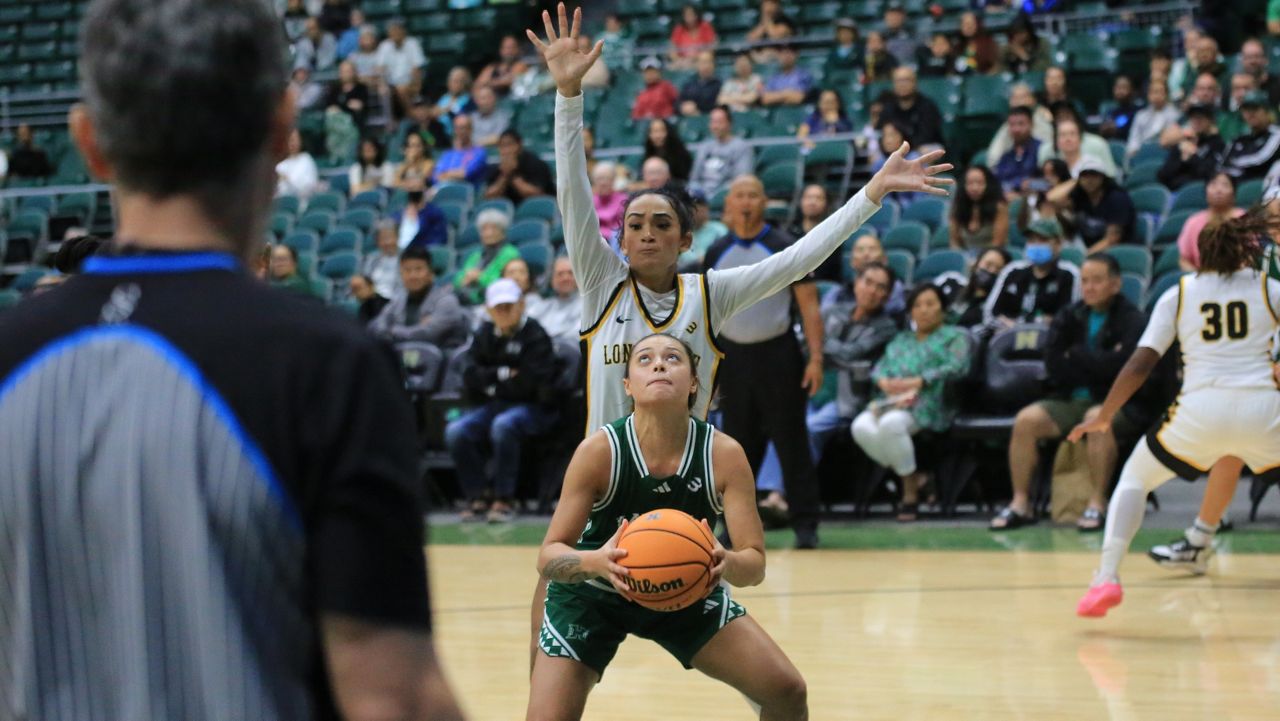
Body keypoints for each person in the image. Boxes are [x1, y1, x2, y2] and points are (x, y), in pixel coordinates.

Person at [0, 0, 465, 717]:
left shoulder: (12, 356)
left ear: (89, 141)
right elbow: (391, 696)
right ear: (283, 126)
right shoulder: (325, 366)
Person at [527, 0, 947, 565]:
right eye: (634, 225)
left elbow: (800, 258)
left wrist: (871, 195)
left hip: (682, 498)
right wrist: (567, 96)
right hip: (604, 487)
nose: (646, 234)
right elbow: (572, 191)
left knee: (739, 643)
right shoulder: (602, 281)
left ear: (686, 241)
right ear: (618, 239)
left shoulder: (709, 292)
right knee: (551, 620)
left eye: (662, 224)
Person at [529, 332, 807, 720]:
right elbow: (548, 555)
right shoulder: (599, 451)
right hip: (592, 597)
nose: (658, 364)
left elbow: (755, 564)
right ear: (628, 385)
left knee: (786, 691)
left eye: (673, 357)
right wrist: (598, 562)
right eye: (644, 359)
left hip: (687, 594)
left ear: (694, 382)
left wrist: (723, 560)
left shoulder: (723, 454)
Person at [1070, 210, 1280, 618]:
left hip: (1200, 412)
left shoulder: (1179, 293)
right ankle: (1195, 542)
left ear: (1199, 254)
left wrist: (1104, 416)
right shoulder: (1269, 288)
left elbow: (1139, 365)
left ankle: (1106, 579)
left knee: (1134, 479)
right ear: (1247, 255)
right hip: (1264, 409)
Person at [703, 174, 827, 557]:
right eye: (738, 195)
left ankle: (805, 524)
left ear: (764, 202)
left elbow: (809, 305)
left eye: (753, 195)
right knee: (736, 448)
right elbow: (707, 315)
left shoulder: (784, 246)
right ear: (728, 205)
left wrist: (816, 359)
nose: (745, 202)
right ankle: (734, 529)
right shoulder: (716, 252)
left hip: (779, 355)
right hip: (733, 358)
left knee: (791, 442)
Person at [989, 254, 1146, 532]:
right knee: (1026, 420)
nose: (1089, 287)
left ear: (1115, 284)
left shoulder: (1133, 319)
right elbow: (1054, 363)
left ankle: (1097, 503)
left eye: (1097, 280)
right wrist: (1098, 360)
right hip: (1070, 398)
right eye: (1085, 281)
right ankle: (1020, 503)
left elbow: (1122, 370)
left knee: (1097, 419)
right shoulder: (1069, 314)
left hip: (1114, 402)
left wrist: (1077, 356)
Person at [853, 284, 970, 522]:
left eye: (930, 304)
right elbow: (879, 368)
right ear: (910, 312)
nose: (924, 310)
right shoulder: (901, 339)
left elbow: (958, 368)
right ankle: (918, 478)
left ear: (943, 308)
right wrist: (884, 382)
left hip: (930, 401)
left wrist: (920, 380)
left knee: (891, 426)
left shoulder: (955, 336)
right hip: (890, 401)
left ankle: (908, 492)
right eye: (917, 305)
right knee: (860, 427)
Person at [447, 278, 557, 523]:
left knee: (504, 425)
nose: (504, 312)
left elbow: (531, 384)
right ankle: (477, 495)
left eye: (509, 306)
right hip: (495, 406)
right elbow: (469, 373)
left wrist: (492, 384)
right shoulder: (484, 333)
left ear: (521, 305)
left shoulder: (535, 335)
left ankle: (504, 498)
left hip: (535, 408)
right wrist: (504, 375)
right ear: (488, 310)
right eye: (499, 308)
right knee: (456, 431)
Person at [808, 262, 899, 468]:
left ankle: (789, 492)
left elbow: (850, 353)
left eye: (881, 287)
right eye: (868, 282)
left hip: (848, 393)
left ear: (887, 295)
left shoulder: (886, 327)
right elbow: (806, 344)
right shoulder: (833, 311)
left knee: (810, 427)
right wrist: (817, 345)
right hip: (813, 385)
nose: (872, 291)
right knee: (784, 426)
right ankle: (770, 491)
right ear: (857, 283)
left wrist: (819, 344)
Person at [984, 218, 1080, 327]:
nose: (1036, 245)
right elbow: (990, 315)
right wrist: (1015, 327)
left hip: (1049, 340)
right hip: (1008, 336)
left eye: (1043, 240)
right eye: (1031, 240)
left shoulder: (1069, 274)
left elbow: (1070, 319)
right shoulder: (1013, 271)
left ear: (1058, 244)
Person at [369, 246, 470, 347]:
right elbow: (376, 325)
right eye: (407, 270)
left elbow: (427, 334)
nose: (413, 276)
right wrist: (392, 329)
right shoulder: (398, 300)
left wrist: (392, 329)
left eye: (418, 269)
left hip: (440, 358)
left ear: (430, 273)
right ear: (401, 274)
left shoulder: (447, 301)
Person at [1050, 158, 1136, 252]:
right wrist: (1075, 180)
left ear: (1103, 177)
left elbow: (1112, 239)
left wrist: (1085, 258)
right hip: (1086, 247)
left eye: (1094, 175)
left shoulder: (1117, 199)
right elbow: (1052, 199)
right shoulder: (1081, 196)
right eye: (1085, 175)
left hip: (1115, 251)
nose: (1089, 180)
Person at [822, 233, 907, 316]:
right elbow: (825, 314)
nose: (866, 254)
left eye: (872, 249)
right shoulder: (838, 291)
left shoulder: (894, 287)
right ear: (852, 262)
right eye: (860, 250)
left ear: (884, 259)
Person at [1178, 171, 1244, 271]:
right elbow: (1184, 260)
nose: (1219, 190)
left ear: (1234, 192)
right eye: (1213, 184)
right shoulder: (1193, 222)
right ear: (1206, 191)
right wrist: (1201, 277)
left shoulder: (1244, 219)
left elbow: (1251, 256)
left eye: (1225, 185)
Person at [458, 208, 522, 305]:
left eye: (493, 228)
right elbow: (458, 277)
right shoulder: (476, 255)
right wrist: (463, 280)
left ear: (503, 232)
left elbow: (506, 283)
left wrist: (479, 277)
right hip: (468, 300)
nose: (488, 233)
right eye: (484, 229)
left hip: (496, 301)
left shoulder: (510, 253)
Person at [1157, 103, 1226, 190]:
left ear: (1210, 120)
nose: (1196, 121)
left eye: (1200, 117)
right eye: (1193, 117)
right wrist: (1182, 160)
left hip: (1199, 193)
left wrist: (1193, 155)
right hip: (1175, 192)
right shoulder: (1183, 143)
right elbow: (1162, 175)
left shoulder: (1217, 143)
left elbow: (1210, 174)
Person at [688, 106, 754, 196]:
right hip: (701, 194)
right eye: (713, 122)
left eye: (719, 122)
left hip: (726, 193)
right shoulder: (704, 146)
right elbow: (694, 178)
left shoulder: (742, 147)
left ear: (729, 123)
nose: (715, 126)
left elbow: (742, 179)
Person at [985, 83, 1055, 166]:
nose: (1019, 101)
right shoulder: (1007, 125)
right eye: (1015, 97)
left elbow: (1050, 153)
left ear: (1033, 100)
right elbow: (993, 158)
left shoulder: (1043, 119)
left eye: (1023, 97)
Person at [1221, 90, 1280, 184]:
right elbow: (1222, 164)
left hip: (1262, 187)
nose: (1250, 113)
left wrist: (1234, 165)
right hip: (1234, 186)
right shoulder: (1239, 139)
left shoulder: (1276, 134)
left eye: (1255, 108)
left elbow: (1260, 160)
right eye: (1246, 109)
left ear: (1266, 111)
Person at [879, 67, 945, 149]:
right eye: (898, 81)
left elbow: (927, 136)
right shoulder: (888, 108)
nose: (902, 84)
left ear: (915, 82)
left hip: (922, 147)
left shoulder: (927, 106)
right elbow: (882, 133)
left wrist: (904, 147)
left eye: (906, 80)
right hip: (895, 148)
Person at [485, 129, 555, 205]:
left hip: (539, 211)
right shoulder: (497, 167)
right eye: (502, 146)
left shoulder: (535, 163)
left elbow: (537, 196)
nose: (506, 150)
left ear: (519, 145)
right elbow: (489, 197)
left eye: (509, 145)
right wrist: (504, 176)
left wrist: (512, 175)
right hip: (509, 212)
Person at [945, 247, 1010, 327]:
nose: (992, 271)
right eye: (988, 265)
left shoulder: (995, 310)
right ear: (975, 264)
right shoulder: (951, 281)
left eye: (998, 269)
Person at [950, 165, 1009, 252]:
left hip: (992, 257)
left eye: (980, 183)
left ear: (989, 185)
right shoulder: (958, 207)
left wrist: (978, 262)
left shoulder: (999, 207)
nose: (975, 188)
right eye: (970, 183)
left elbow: (997, 243)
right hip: (967, 257)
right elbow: (954, 242)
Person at [376, 18, 425, 117]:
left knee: (402, 89)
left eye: (397, 30)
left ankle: (410, 115)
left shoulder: (412, 43)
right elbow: (380, 68)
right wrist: (382, 83)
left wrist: (416, 85)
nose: (394, 33)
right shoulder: (384, 46)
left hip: (409, 82)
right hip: (390, 84)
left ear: (403, 31)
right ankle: (397, 120)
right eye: (392, 31)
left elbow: (417, 68)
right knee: (386, 90)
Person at [528, 256, 583, 343]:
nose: (565, 278)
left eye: (570, 273)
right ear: (552, 280)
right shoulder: (543, 306)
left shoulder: (587, 306)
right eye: (560, 274)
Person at [1125, 79, 1180, 159]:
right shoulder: (1140, 115)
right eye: (1153, 92)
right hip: (1141, 154)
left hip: (1164, 155)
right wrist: (1133, 151)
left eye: (1160, 92)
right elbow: (1134, 138)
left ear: (1166, 94)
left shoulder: (1175, 115)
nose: (1156, 96)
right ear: (1148, 95)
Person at [994, 106, 1042, 196]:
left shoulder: (1041, 149)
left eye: (1021, 124)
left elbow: (1049, 183)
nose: (1016, 129)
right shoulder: (1006, 156)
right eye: (1012, 125)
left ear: (1031, 124)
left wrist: (1031, 184)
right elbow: (997, 182)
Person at [678, 190, 729, 271]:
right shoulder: (678, 232)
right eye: (687, 205)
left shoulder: (719, 229)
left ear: (706, 208)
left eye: (696, 205)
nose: (691, 209)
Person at [433, 113, 489, 186]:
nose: (459, 132)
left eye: (462, 128)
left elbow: (466, 174)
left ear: (470, 129)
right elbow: (435, 177)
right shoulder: (447, 154)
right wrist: (455, 174)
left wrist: (445, 174)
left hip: (468, 194)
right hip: (445, 192)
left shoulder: (479, 152)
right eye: (456, 128)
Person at [394, 179, 448, 249]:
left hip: (420, 253)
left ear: (425, 190)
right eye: (411, 188)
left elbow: (438, 239)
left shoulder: (434, 213)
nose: (414, 191)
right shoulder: (399, 214)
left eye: (418, 188)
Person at [275, 128, 320, 200]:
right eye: (289, 140)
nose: (292, 143)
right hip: (280, 203)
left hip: (302, 202)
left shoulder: (306, 160)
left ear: (300, 141)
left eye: (294, 139)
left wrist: (286, 178)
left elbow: (307, 187)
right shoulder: (280, 164)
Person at [363, 220, 404, 298]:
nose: (387, 242)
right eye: (383, 239)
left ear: (398, 237)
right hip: (372, 300)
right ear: (377, 242)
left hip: (396, 301)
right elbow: (365, 282)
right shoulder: (371, 259)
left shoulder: (407, 257)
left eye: (390, 237)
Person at [326, 59, 369, 132]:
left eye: (348, 71)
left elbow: (360, 106)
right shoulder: (335, 89)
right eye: (342, 71)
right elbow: (329, 107)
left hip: (353, 124)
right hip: (335, 124)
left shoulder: (361, 88)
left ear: (354, 72)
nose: (345, 74)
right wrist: (347, 106)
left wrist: (340, 108)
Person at [431, 66, 476, 137]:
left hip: (457, 135)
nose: (454, 84)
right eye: (452, 81)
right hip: (440, 132)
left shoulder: (468, 100)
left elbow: (464, 118)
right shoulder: (444, 98)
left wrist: (447, 111)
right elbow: (435, 113)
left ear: (464, 83)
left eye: (458, 81)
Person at [633, 56, 679, 121]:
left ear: (659, 72)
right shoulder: (641, 92)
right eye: (647, 72)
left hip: (664, 123)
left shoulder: (666, 86)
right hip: (645, 126)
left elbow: (678, 103)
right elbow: (636, 115)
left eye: (652, 71)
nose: (650, 74)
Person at [669, 4, 716, 68]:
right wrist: (680, 60)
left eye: (691, 14)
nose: (689, 17)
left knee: (705, 60)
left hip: (701, 60)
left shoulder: (705, 26)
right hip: (684, 61)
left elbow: (712, 47)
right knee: (671, 67)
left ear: (696, 15)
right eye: (686, 15)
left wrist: (695, 58)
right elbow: (672, 50)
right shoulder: (679, 29)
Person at [677, 50, 722, 116]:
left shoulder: (719, 84)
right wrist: (683, 107)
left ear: (714, 64)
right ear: (697, 65)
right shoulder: (689, 83)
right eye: (703, 62)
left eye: (709, 62)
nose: (706, 66)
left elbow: (717, 104)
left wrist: (697, 110)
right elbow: (678, 102)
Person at [1240, 37, 1280, 106]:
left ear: (1265, 59)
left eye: (1257, 56)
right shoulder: (1235, 86)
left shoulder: (1277, 85)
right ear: (1242, 60)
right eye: (1248, 57)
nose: (1252, 61)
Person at [1098, 75, 1139, 141]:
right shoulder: (1110, 111)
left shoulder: (1137, 112)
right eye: (1117, 87)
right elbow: (1103, 131)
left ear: (1132, 90)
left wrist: (1116, 129)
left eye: (1124, 87)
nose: (1120, 91)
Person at [592, 162, 627, 237]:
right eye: (599, 179)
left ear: (614, 180)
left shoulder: (623, 199)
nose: (603, 183)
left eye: (607, 178)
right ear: (594, 181)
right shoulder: (590, 201)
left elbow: (623, 226)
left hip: (616, 241)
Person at [880, 1, 916, 66]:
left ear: (904, 16)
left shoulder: (914, 35)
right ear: (885, 16)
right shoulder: (878, 37)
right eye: (891, 14)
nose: (894, 17)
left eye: (897, 14)